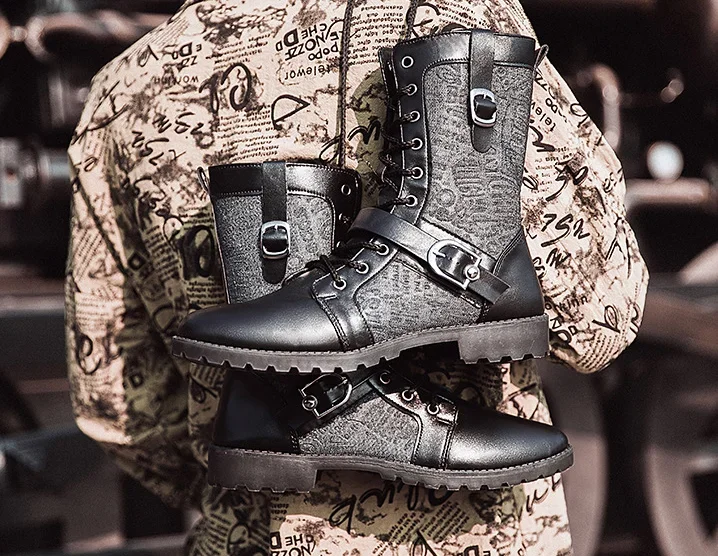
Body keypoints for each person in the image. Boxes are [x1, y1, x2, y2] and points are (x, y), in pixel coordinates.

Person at [66, 0, 647, 554]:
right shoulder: (446, 15)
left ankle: (308, 397)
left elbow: (119, 407)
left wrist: (245, 471)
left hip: (241, 538)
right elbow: (602, 315)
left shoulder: (119, 94)